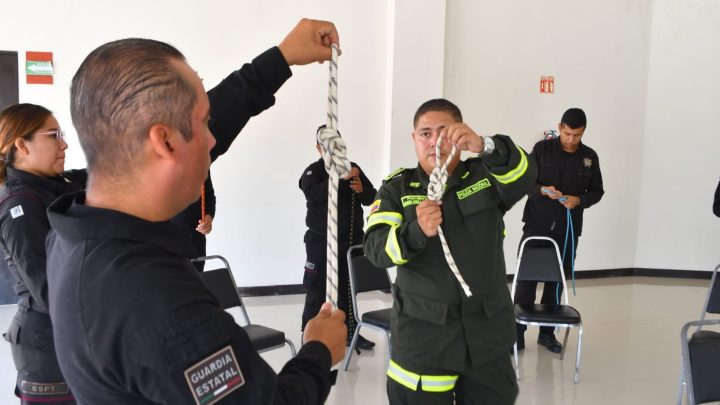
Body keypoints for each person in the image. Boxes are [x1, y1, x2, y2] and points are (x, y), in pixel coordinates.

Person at [45, 19, 347, 405]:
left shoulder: (72, 234)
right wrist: (318, 352)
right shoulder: (159, 302)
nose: (213, 138)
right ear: (165, 141)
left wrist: (280, 59)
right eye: (204, 123)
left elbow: (210, 119)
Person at [364, 98, 536, 404]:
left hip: (486, 339)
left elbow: (526, 175)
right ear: (414, 139)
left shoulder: (485, 176)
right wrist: (414, 231)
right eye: (425, 133)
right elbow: (376, 250)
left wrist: (486, 146)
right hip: (424, 342)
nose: (434, 142)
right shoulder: (397, 189)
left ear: (460, 133)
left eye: (443, 132)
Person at [0, 103, 84, 404]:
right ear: (22, 144)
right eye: (53, 135)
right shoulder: (20, 207)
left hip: (70, 337)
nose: (64, 143)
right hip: (46, 349)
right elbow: (50, 291)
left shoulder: (57, 187)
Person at [515, 107, 604, 353]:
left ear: (583, 132)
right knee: (526, 280)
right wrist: (541, 190)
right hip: (537, 224)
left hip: (568, 229)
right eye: (566, 133)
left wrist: (579, 200)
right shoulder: (543, 149)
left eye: (576, 135)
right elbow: (525, 181)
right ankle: (517, 333)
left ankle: (547, 333)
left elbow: (597, 191)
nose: (570, 139)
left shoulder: (590, 157)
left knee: (556, 281)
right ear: (560, 127)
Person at [300, 125, 377, 350]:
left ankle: (353, 334)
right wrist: (340, 178)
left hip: (350, 242)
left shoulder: (354, 168)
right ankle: (308, 335)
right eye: (326, 145)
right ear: (318, 148)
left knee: (348, 291)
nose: (332, 149)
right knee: (316, 290)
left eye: (336, 144)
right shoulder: (312, 172)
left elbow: (372, 197)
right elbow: (313, 195)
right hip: (320, 243)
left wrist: (361, 188)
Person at [172, 171, 215, 271]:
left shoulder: (201, 161)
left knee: (197, 275)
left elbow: (209, 195)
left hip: (196, 238)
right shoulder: (158, 163)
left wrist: (208, 217)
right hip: (167, 238)